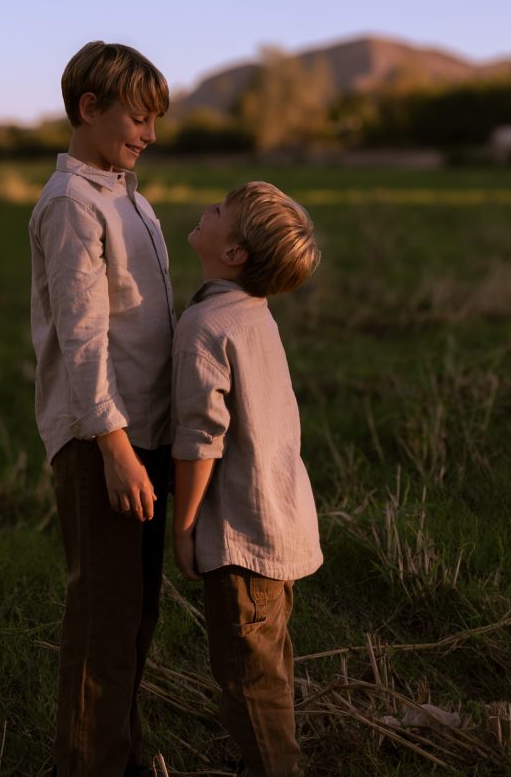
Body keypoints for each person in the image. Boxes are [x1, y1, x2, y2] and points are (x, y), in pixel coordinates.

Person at [29, 41, 176, 776]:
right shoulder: (71, 205)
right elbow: (84, 340)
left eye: (154, 121)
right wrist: (115, 448)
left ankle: (117, 755)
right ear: (89, 109)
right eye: (139, 118)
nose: (149, 134)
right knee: (103, 625)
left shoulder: (128, 196)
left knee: (135, 616)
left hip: (142, 436)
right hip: (101, 440)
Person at [171, 181, 323, 777]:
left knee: (250, 687)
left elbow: (199, 441)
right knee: (269, 671)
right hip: (281, 527)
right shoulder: (254, 314)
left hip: (243, 541)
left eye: (218, 212)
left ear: (233, 253)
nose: (205, 210)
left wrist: (184, 527)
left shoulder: (205, 324)